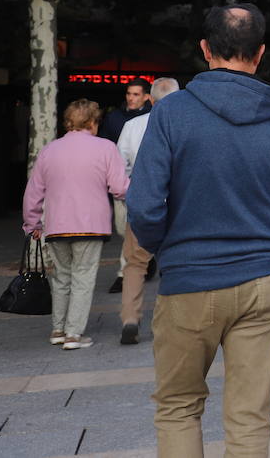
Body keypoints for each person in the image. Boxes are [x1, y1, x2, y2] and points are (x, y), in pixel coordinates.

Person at [127, 4, 270, 458]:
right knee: (250, 416)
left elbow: (142, 205)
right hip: (264, 282)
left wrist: (170, 249)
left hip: (187, 283)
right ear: (260, 54)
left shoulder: (172, 113)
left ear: (204, 49)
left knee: (178, 408)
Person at [22, 99, 130, 350]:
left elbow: (33, 192)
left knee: (61, 277)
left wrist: (32, 223)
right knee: (83, 278)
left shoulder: (49, 150)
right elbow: (119, 188)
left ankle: (58, 329)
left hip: (56, 225)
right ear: (93, 121)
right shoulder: (105, 148)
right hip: (91, 225)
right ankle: (74, 334)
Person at [115, 76, 179, 344]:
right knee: (175, 264)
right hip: (177, 207)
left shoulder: (132, 126)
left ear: (150, 100)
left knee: (135, 264)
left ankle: (130, 317)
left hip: (142, 204)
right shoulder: (186, 125)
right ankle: (170, 321)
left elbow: (121, 167)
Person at [103, 78, 153, 294]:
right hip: (124, 182)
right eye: (129, 93)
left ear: (146, 96)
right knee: (124, 229)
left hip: (140, 183)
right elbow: (111, 149)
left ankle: (129, 270)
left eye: (135, 94)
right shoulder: (115, 118)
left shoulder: (152, 119)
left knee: (134, 229)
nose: (130, 98)